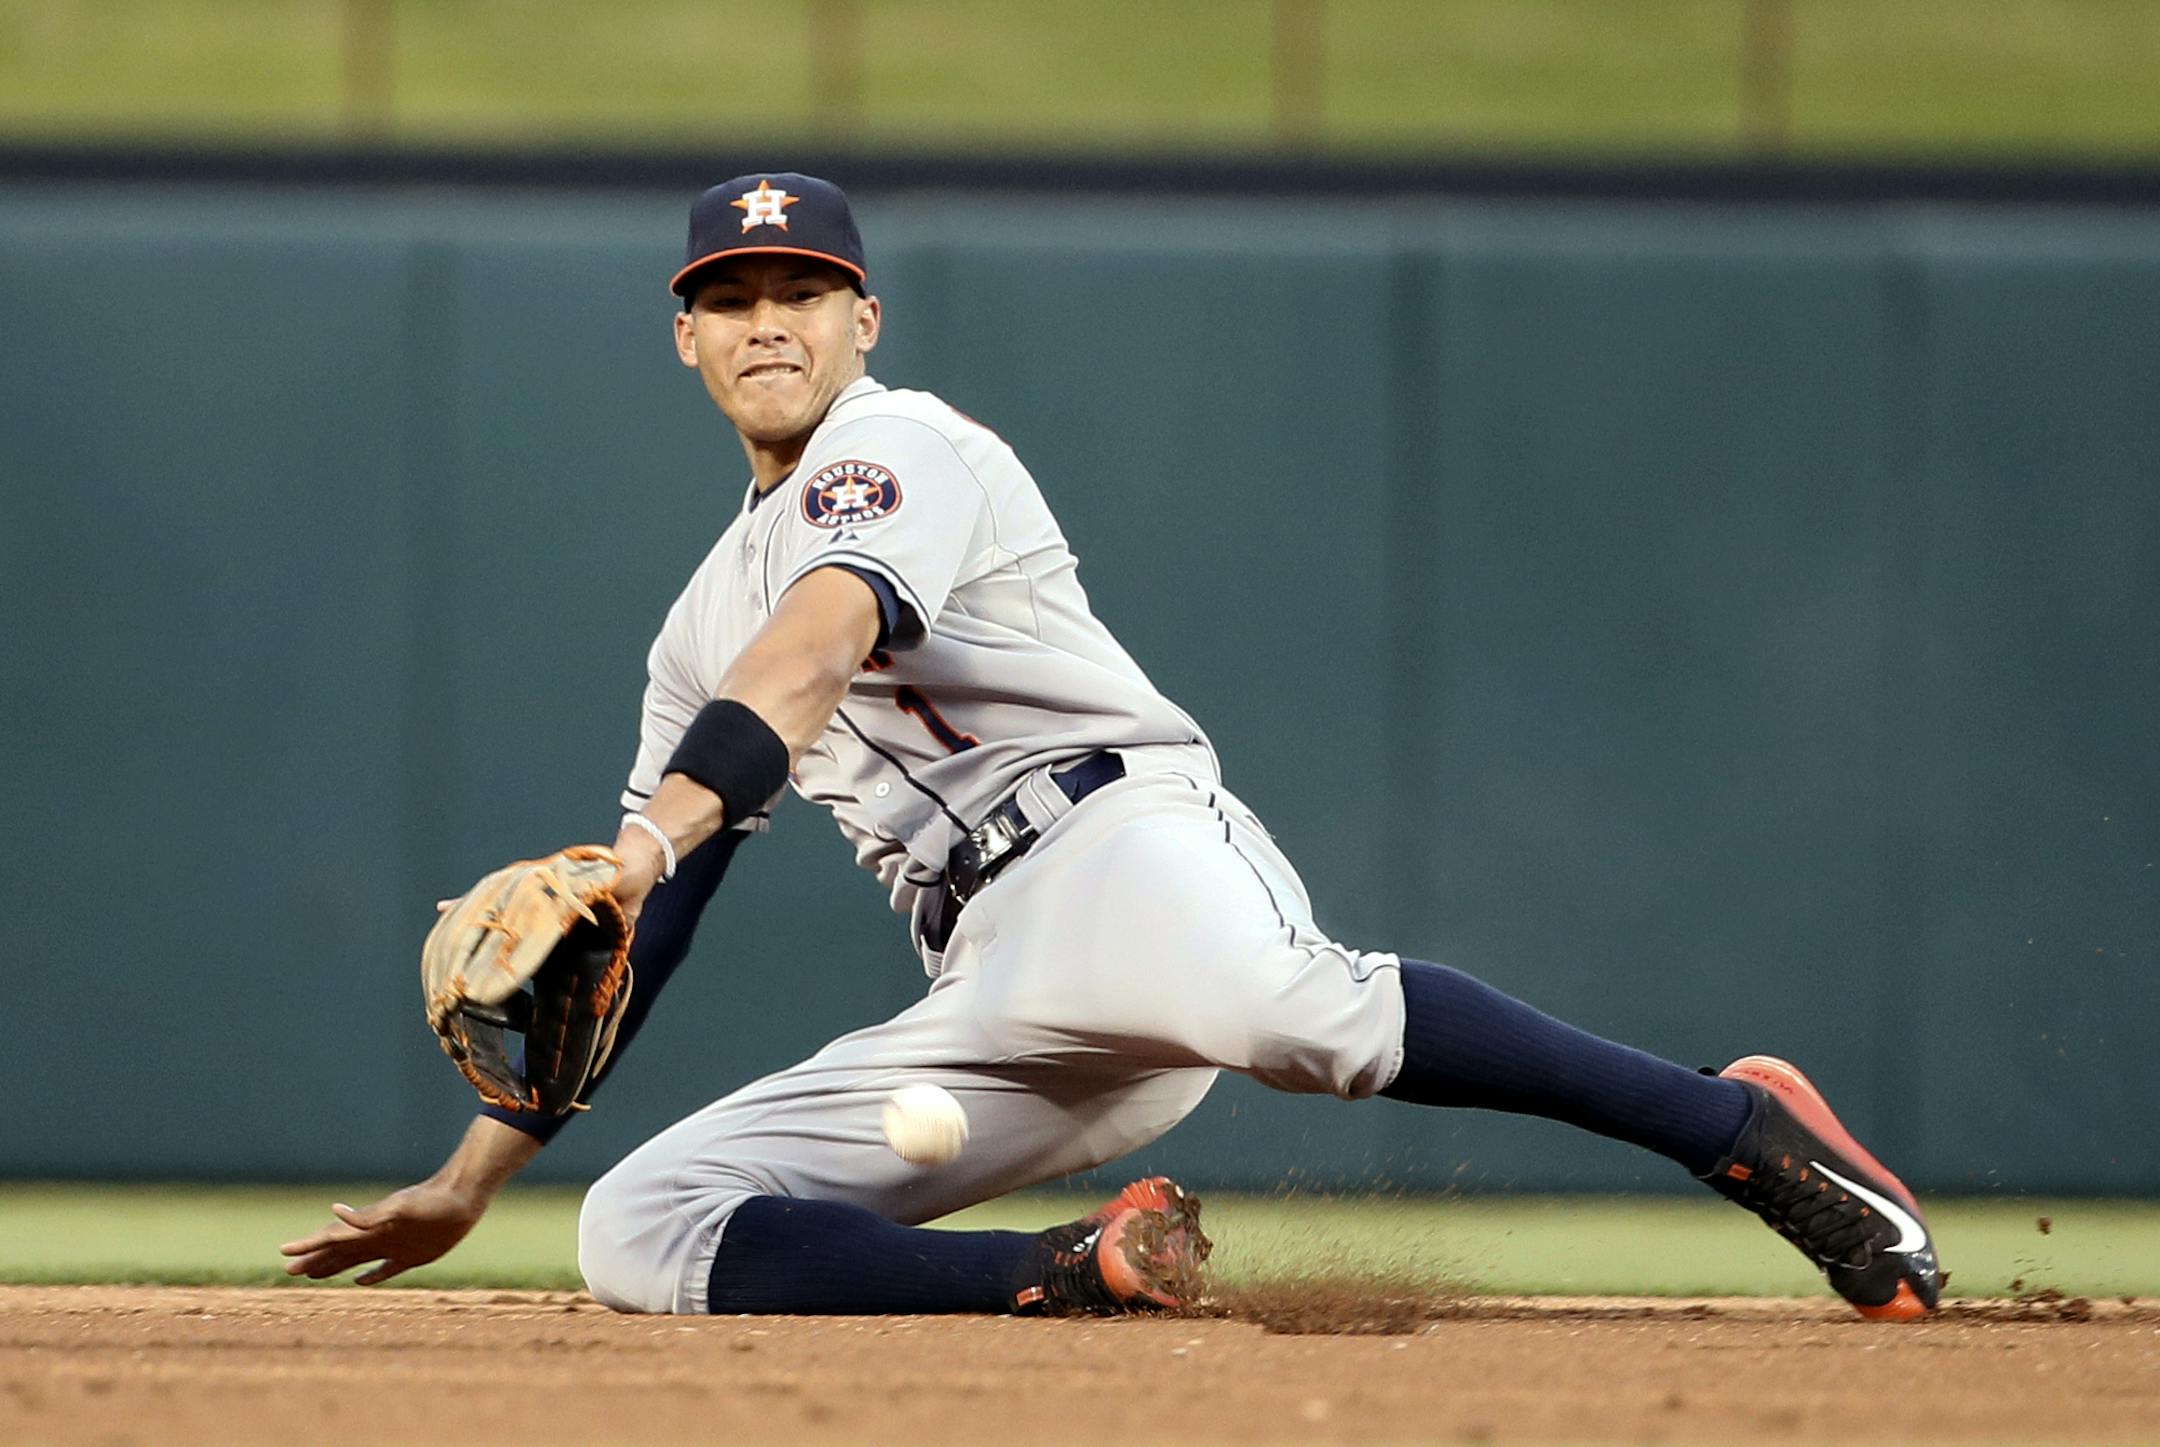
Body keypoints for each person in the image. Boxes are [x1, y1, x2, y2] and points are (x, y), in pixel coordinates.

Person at [282, 173, 1941, 1321]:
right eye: (731, 298)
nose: (768, 318)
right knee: (641, 1231)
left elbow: (822, 645)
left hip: (1120, 851)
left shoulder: (901, 444)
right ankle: (1078, 1273)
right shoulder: (691, 622)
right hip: (992, 978)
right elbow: (648, 931)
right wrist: (470, 1177)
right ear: (686, 340)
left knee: (1307, 1020)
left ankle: (1741, 1135)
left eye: (802, 289)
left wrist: (635, 845)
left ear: (864, 319)